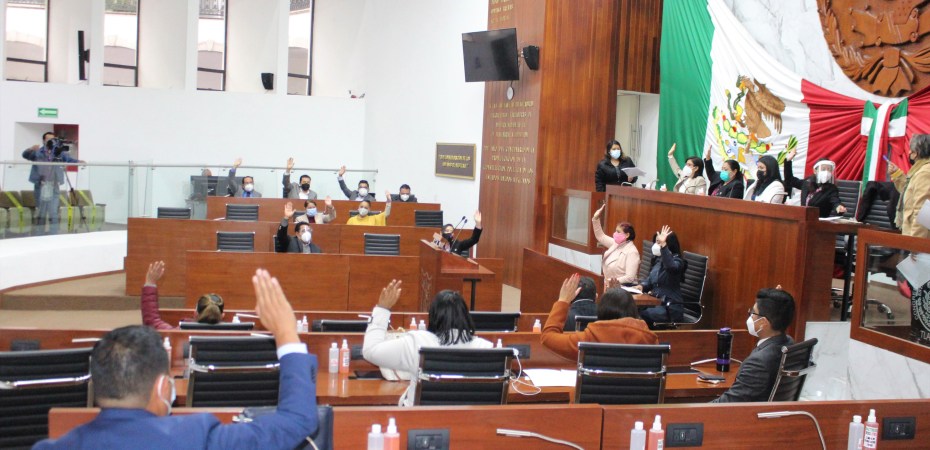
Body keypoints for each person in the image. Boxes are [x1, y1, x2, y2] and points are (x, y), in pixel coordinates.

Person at [34, 269, 319, 449]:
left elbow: (152, 319)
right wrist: (285, 332)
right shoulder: (197, 437)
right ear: (162, 387)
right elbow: (296, 421)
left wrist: (149, 285)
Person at [362, 280, 494, 406]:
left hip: (419, 420)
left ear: (432, 316)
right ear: (466, 316)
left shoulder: (417, 343)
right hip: (469, 421)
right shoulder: (486, 348)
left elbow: (370, 351)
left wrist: (382, 309)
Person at [542, 274, 659, 361]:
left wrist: (563, 301)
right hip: (635, 388)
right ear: (634, 311)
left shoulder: (589, 339)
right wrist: (615, 295)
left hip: (594, 388)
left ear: (601, 311)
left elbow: (547, 337)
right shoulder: (650, 340)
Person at [712, 287, 795, 403]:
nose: (750, 316)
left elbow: (729, 404)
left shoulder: (758, 363)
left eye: (752, 312)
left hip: (749, 413)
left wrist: (690, 410)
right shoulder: (789, 343)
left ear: (763, 323)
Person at [22, 132, 82, 234]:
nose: (51, 141)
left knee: (53, 211)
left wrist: (79, 162)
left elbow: (69, 159)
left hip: (54, 185)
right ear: (44, 141)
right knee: (41, 212)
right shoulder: (38, 152)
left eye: (53, 139)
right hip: (41, 185)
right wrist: (31, 149)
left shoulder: (58, 153)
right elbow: (25, 155)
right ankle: (39, 234)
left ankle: (53, 234)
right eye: (49, 139)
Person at [140, 261, 225, 330]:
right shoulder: (231, 335)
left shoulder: (178, 334)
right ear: (222, 316)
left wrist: (150, 282)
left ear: (195, 314)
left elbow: (152, 321)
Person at [636, 225, 687, 326]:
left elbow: (671, 267)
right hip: (655, 303)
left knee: (641, 315)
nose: (656, 245)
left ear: (668, 245)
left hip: (670, 308)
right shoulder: (658, 260)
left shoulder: (678, 262)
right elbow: (650, 280)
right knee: (631, 310)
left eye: (659, 242)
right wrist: (641, 286)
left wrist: (663, 246)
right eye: (656, 242)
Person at [783, 149, 846, 217]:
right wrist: (788, 161)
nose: (826, 172)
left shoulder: (832, 189)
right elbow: (790, 180)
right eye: (823, 169)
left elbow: (835, 202)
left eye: (829, 170)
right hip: (802, 218)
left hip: (819, 221)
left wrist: (839, 207)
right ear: (815, 171)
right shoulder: (807, 182)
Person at [890, 134, 930, 238]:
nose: (908, 152)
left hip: (917, 239)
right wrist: (897, 174)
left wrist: (915, 243)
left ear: (916, 153)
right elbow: (910, 192)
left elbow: (922, 212)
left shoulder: (924, 173)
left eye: (910, 150)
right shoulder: (921, 170)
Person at [591, 204, 639, 285]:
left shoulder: (632, 252)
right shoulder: (616, 244)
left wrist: (611, 282)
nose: (615, 233)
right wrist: (595, 218)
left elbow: (629, 277)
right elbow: (600, 236)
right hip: (609, 285)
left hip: (621, 288)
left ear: (627, 235)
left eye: (618, 232)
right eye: (616, 231)